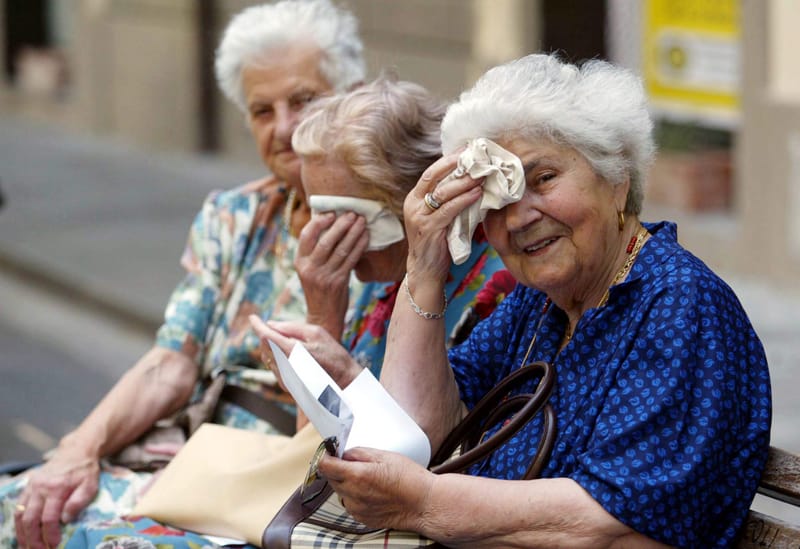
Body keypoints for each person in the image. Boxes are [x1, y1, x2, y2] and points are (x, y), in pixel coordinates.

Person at [294, 54, 771, 548]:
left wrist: (427, 503)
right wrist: (425, 269)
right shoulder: (538, 304)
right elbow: (419, 432)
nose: (519, 218)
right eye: (497, 199)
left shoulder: (679, 305)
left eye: (543, 179)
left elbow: (609, 524)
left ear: (617, 179)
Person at [2, 1, 365, 548]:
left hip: (286, 486)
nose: (285, 127)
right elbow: (171, 362)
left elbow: (346, 435)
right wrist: (78, 452)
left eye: (304, 100)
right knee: (25, 506)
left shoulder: (387, 240)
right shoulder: (235, 216)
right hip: (192, 456)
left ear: (353, 98)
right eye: (262, 110)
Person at [255, 74, 514, 388]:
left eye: (342, 216)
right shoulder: (382, 274)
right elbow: (316, 438)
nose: (322, 234)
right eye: (316, 213)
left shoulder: (499, 289)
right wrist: (323, 319)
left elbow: (430, 433)